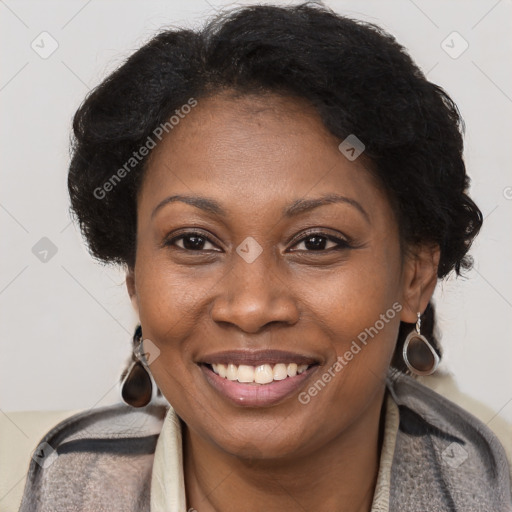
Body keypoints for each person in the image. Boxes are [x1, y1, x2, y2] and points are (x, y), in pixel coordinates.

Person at [18, 2, 512, 511]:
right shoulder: (54, 486)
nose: (251, 307)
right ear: (135, 279)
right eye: (193, 241)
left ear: (415, 276)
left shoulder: (489, 486)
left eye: (317, 242)